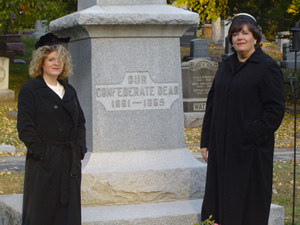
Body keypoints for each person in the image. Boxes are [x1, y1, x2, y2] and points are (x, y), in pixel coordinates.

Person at [200, 13, 285, 225]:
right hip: (221, 148)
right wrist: (206, 140)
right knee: (219, 201)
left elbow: (275, 109)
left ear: (255, 37)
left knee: (246, 204)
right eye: (235, 33)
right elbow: (212, 103)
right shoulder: (226, 65)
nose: (240, 37)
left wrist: (250, 134)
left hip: (250, 152)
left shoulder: (267, 67)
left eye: (245, 33)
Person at [17, 33, 87, 225]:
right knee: (42, 214)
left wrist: (80, 148)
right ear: (41, 62)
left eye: (60, 60)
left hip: (69, 162)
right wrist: (43, 153)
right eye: (51, 59)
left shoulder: (69, 91)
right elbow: (25, 127)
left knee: (67, 216)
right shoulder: (30, 90)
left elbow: (80, 122)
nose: (56, 63)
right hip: (44, 164)